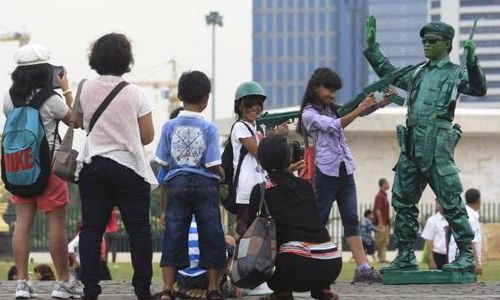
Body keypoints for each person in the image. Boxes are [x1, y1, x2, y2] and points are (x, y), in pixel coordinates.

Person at [364, 16, 487, 273]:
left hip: (438, 143)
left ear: (447, 44)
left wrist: (473, 62)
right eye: (424, 41)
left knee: (451, 199)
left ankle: (465, 253)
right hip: (411, 144)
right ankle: (406, 254)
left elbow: (478, 88)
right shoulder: (418, 72)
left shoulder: (455, 73)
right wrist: (373, 47)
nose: (426, 45)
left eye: (432, 41)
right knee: (403, 200)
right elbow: (389, 73)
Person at [76, 33, 156, 300]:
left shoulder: (84, 88)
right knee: (139, 232)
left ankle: (90, 288)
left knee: (91, 230)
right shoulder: (136, 93)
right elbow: (147, 137)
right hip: (129, 169)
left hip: (94, 166)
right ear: (127, 60)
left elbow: (78, 122)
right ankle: (142, 289)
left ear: (95, 58)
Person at [297, 67, 393, 282]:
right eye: (328, 89)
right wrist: (360, 109)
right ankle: (307, 265)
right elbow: (334, 126)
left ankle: (363, 268)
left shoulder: (332, 109)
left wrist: (382, 101)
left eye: (334, 90)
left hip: (345, 170)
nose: (332, 94)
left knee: (351, 219)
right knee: (319, 220)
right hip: (326, 172)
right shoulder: (309, 114)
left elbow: (359, 111)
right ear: (315, 87)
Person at [3, 43, 82, 298]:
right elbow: (77, 121)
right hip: (49, 171)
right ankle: (64, 281)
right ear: (45, 71)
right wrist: (67, 89)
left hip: (21, 168)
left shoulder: (9, 98)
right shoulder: (51, 99)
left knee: (22, 224)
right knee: (56, 224)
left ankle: (22, 282)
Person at [155, 70, 226, 300]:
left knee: (174, 235)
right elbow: (212, 162)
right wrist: (221, 173)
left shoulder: (168, 127)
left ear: (179, 95)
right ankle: (213, 288)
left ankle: (167, 289)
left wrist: (163, 208)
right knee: (212, 234)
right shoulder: (210, 129)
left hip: (176, 184)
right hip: (205, 184)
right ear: (206, 98)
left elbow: (163, 166)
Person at [248, 135, 342, 300]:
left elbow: (251, 232)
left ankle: (282, 293)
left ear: (261, 161)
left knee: (272, 250)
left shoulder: (261, 191)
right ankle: (322, 291)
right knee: (306, 239)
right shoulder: (305, 186)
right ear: (289, 158)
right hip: (331, 262)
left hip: (294, 265)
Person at [448, 189, 482, 275]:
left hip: (458, 255)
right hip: (464, 259)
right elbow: (471, 241)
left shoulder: (464, 212)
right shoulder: (471, 216)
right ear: (478, 200)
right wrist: (477, 263)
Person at [421, 200, 449, 270]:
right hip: (438, 255)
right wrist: (431, 260)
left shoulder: (452, 220)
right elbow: (429, 241)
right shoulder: (432, 220)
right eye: (439, 203)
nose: (442, 206)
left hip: (451, 254)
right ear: (436, 205)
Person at [374, 178, 391, 263]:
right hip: (382, 223)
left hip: (385, 223)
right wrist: (380, 222)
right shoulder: (380, 196)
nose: (389, 184)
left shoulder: (384, 195)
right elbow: (378, 209)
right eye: (387, 183)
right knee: (380, 241)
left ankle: (382, 258)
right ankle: (380, 257)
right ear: (383, 184)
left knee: (385, 241)